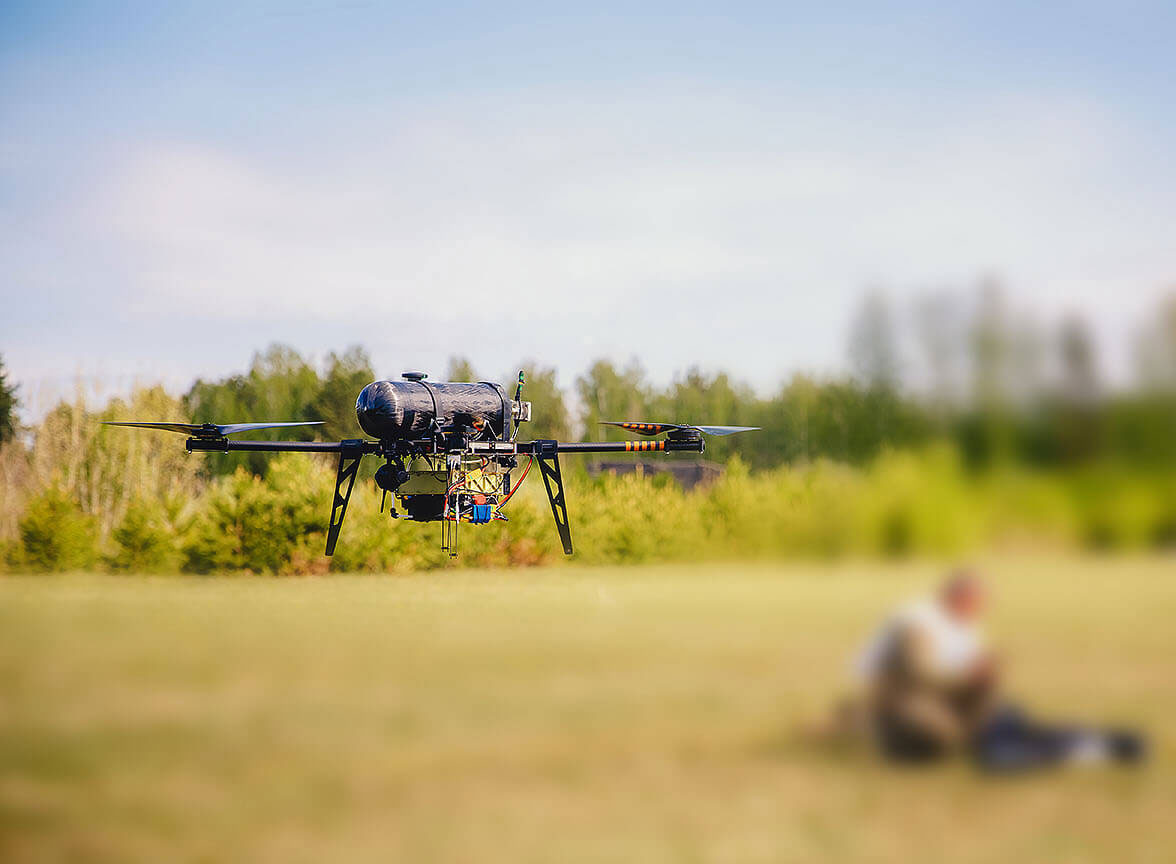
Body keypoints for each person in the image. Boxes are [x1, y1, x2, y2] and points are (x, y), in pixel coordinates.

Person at [853, 570, 1145, 771]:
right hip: (916, 710)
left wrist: (983, 673)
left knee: (1013, 728)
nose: (978, 612)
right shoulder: (919, 621)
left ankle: (1098, 745)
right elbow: (920, 674)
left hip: (953, 707)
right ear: (958, 596)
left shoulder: (959, 625)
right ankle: (1092, 749)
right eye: (975, 603)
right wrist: (971, 678)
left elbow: (961, 674)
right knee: (993, 744)